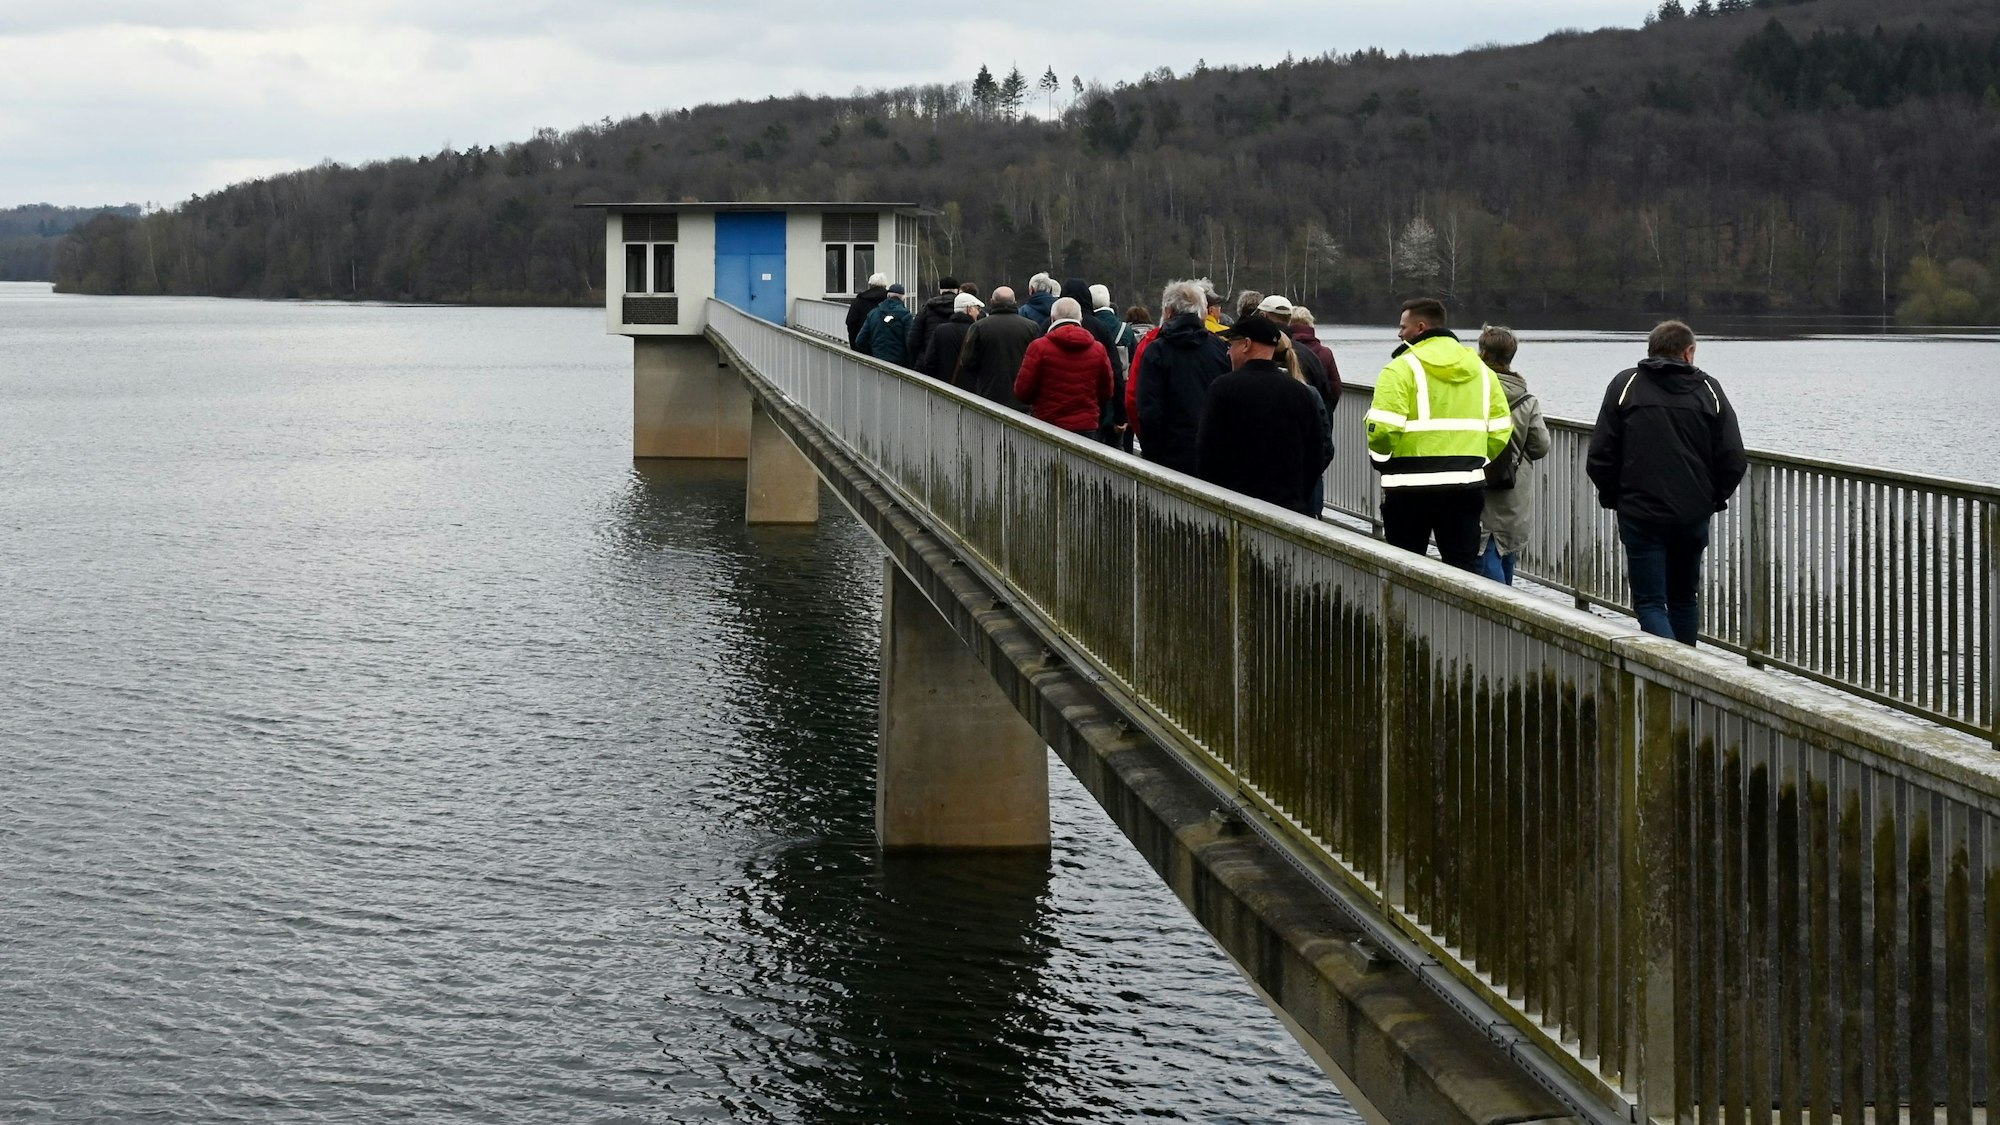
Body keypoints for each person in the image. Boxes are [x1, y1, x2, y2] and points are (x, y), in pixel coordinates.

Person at [1586, 319, 1747, 645]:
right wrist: (1712, 499)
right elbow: (1733, 458)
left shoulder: (1626, 385)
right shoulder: (1709, 390)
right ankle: (1687, 684)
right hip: (1691, 515)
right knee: (1684, 599)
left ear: (1651, 349)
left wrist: (1615, 497)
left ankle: (1671, 681)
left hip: (1640, 513)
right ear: (1689, 352)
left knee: (1650, 603)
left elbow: (1601, 454)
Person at [1365, 297, 1513, 571]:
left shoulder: (1400, 368)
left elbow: (1382, 430)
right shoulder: (1481, 371)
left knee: (1404, 567)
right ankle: (1463, 615)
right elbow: (1502, 429)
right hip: (1464, 485)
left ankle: (1404, 614)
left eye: (1403, 327)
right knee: (1463, 569)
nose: (1399, 334)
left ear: (1420, 327)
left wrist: (1382, 460)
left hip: (1408, 486)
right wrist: (1472, 460)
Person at [1196, 315, 1331, 516]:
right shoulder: (1301, 393)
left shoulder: (1223, 389)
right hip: (1288, 509)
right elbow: (1316, 455)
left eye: (1231, 345)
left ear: (1246, 345)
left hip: (1235, 508)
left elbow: (1207, 453)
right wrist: (1297, 495)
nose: (1228, 353)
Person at [1472, 326, 1552, 585]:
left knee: (1484, 552)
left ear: (1482, 352)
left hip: (1477, 482)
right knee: (1506, 552)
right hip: (1513, 487)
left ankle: (1495, 617)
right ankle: (1508, 612)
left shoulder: (1472, 391)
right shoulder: (1526, 399)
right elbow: (1540, 446)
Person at [1136, 279, 1231, 475]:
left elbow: (1149, 408)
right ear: (1201, 312)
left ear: (1168, 312)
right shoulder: (1219, 348)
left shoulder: (1157, 350)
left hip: (1170, 454)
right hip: (1212, 452)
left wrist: (1152, 452)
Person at [1014, 297, 1114, 438]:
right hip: (1086, 425)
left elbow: (1023, 392)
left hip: (1047, 423)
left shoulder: (1038, 347)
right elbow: (1107, 391)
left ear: (1053, 319)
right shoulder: (1098, 349)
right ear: (1080, 319)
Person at [954, 285, 1041, 409]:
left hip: (989, 395)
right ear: (1015, 302)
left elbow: (967, 361)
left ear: (992, 302)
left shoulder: (979, 327)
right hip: (1022, 399)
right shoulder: (1032, 327)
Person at [917, 291, 982, 383]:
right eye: (977, 308)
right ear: (969, 309)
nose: (978, 313)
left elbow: (929, 362)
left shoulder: (940, 330)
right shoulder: (976, 332)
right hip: (970, 390)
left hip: (944, 387)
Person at [1287, 306, 1342, 403]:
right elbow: (1335, 388)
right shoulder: (1325, 353)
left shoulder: (1282, 350)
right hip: (1318, 410)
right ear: (1310, 324)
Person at [855, 283, 915, 367]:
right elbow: (910, 343)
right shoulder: (906, 316)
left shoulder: (873, 314)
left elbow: (860, 341)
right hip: (899, 366)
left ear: (887, 296)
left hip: (877, 362)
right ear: (903, 298)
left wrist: (871, 354)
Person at [906, 276, 961, 367]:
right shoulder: (963, 309)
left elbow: (913, 340)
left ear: (940, 290)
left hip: (928, 363)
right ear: (957, 290)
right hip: (956, 365)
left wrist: (917, 360)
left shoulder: (926, 309)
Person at [845, 272, 890, 351]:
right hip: (886, 349)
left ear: (869, 285)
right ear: (885, 286)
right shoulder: (890, 302)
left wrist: (854, 346)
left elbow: (851, 323)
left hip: (863, 347)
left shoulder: (859, 300)